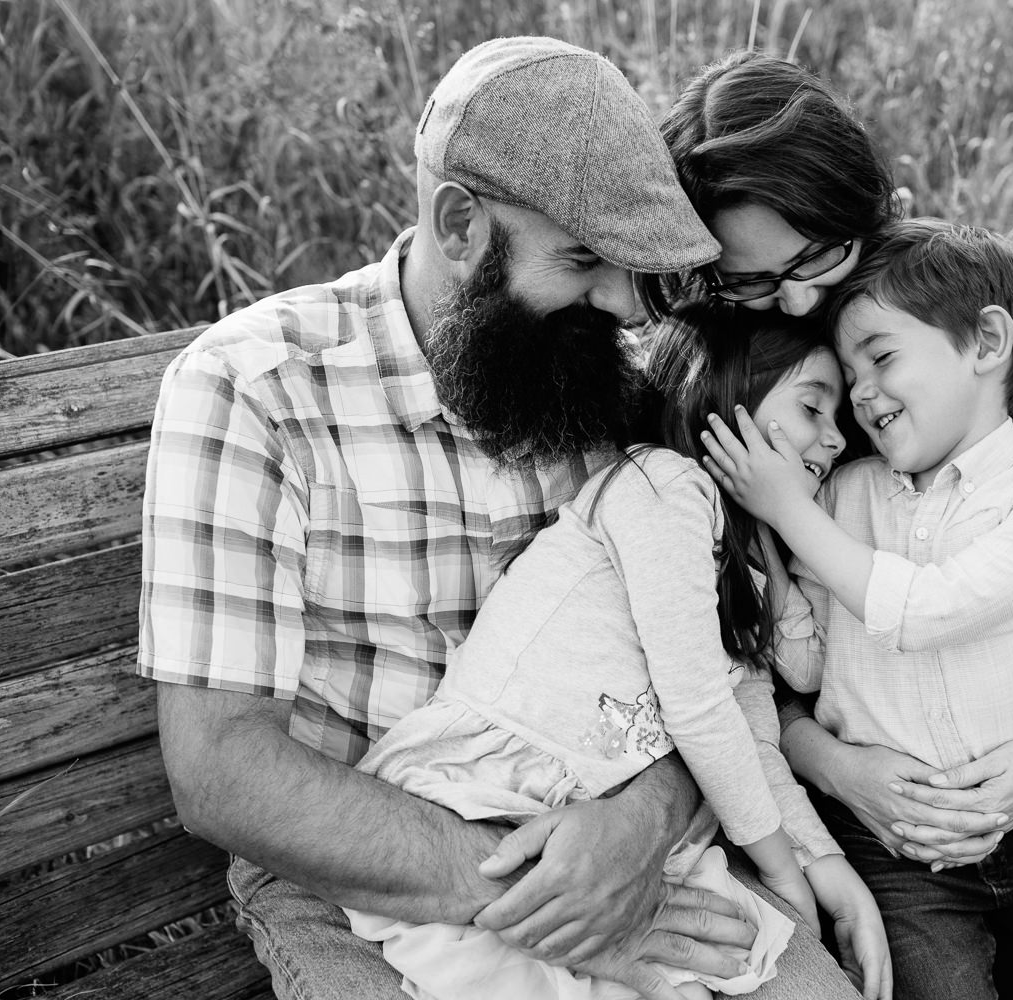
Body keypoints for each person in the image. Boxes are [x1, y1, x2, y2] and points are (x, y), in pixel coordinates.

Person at [139, 36, 866, 1000]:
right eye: (582, 259)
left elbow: (710, 659)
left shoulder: (609, 385)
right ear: (458, 224)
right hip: (364, 873)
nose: (619, 299)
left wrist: (639, 825)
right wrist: (540, 892)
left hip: (624, 822)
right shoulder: (257, 392)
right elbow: (223, 770)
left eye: (628, 264)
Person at [647, 49, 1013, 874]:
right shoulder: (708, 358)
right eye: (749, 280)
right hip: (826, 774)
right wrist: (829, 762)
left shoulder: (979, 309)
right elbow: (711, 625)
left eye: (814, 258)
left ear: (870, 209)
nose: (796, 302)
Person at [340, 304, 892, 1000]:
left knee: (699, 975)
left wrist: (779, 527)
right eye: (813, 407)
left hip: (599, 819)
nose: (836, 439)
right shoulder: (662, 487)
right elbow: (697, 707)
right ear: (722, 397)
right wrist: (783, 872)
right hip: (491, 799)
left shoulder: (734, 563)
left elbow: (786, 688)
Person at [702, 219, 1013, 999]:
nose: (859, 393)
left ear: (988, 343)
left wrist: (791, 514)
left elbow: (925, 612)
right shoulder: (847, 495)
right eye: (850, 373)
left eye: (881, 358)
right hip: (892, 846)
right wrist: (779, 567)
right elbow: (803, 666)